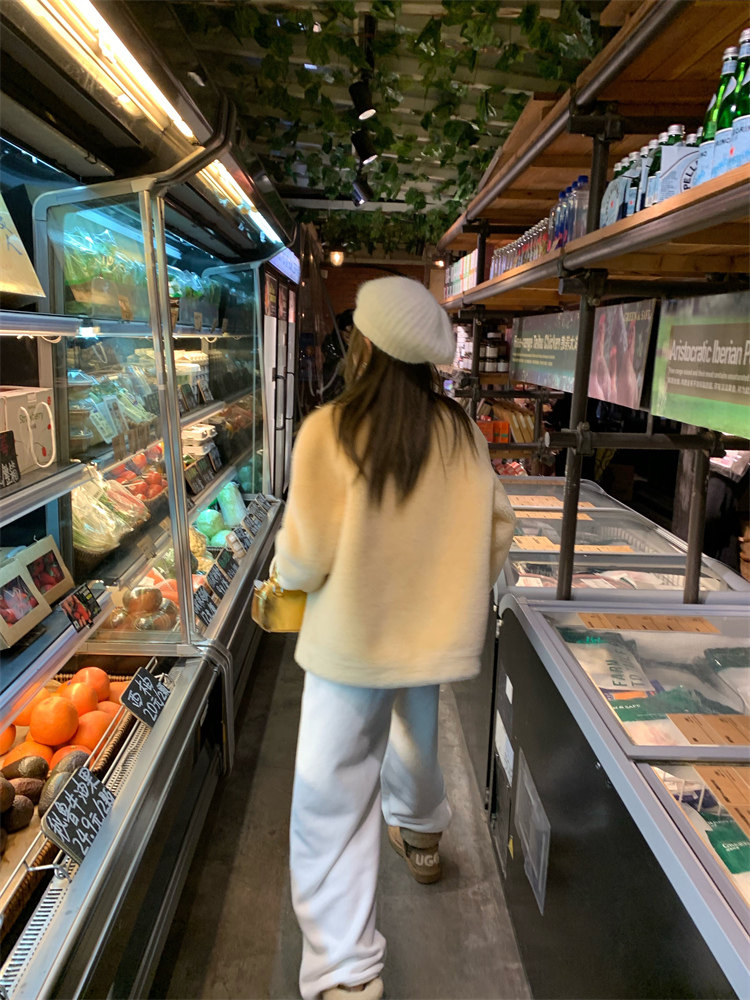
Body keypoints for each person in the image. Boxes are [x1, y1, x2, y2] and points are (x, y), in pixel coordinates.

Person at [273, 276, 516, 1000]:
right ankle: (422, 836)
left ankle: (347, 972)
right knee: (415, 736)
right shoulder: (461, 434)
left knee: (332, 798)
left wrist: (285, 577)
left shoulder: (331, 430)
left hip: (350, 642)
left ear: (367, 345)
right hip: (427, 635)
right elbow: (497, 531)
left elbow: (305, 558)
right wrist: (447, 593)